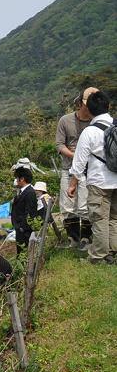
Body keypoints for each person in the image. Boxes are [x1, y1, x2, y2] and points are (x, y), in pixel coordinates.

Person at [68, 90, 116, 264]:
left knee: (99, 219)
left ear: (88, 109)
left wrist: (72, 184)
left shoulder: (89, 132)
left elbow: (79, 163)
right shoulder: (116, 125)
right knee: (114, 218)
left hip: (99, 183)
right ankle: (113, 252)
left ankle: (98, 256)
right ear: (108, 106)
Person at [56, 88, 96, 246]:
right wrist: (76, 155)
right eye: (87, 104)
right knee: (67, 205)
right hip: (68, 168)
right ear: (80, 103)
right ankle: (73, 238)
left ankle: (86, 237)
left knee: (85, 205)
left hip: (89, 170)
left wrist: (82, 156)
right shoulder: (65, 120)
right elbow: (59, 144)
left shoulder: (96, 122)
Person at [11, 168, 38, 253]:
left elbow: (30, 212)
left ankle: (24, 266)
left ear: (22, 179)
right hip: (19, 228)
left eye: (17, 178)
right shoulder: (22, 191)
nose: (16, 181)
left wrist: (21, 227)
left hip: (24, 230)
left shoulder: (29, 193)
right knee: (20, 251)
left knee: (23, 252)